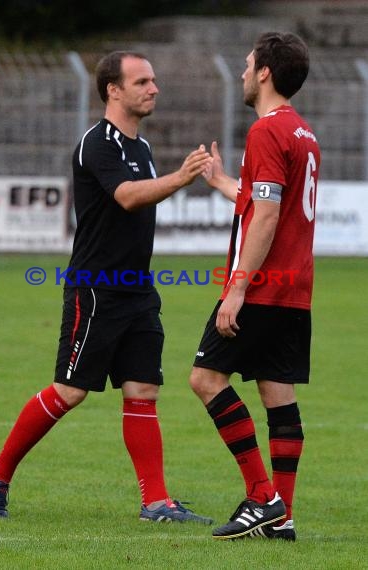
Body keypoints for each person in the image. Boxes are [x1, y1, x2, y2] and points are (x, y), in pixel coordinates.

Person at [0, 50, 213, 525]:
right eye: (143, 81)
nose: (154, 88)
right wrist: (181, 178)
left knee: (143, 389)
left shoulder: (141, 148)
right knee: (69, 391)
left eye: (154, 80)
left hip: (137, 289)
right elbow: (126, 197)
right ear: (114, 90)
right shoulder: (96, 143)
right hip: (96, 289)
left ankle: (156, 502)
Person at [190, 32, 320, 541]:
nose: (243, 73)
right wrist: (224, 182)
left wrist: (237, 288)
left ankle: (263, 498)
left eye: (247, 65)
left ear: (265, 72)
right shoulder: (302, 132)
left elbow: (266, 217)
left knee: (205, 379)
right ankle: (282, 516)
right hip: (296, 285)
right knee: (277, 393)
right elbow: (271, 204)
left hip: (264, 286)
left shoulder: (267, 131)